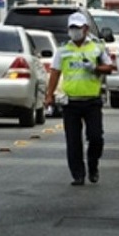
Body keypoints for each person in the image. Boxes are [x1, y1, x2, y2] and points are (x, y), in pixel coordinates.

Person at [44, 13, 114, 186]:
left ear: (86, 29)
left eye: (78, 28)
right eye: (72, 28)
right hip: (71, 101)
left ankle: (93, 165)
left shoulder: (97, 47)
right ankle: (78, 174)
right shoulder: (63, 50)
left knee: (96, 137)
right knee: (73, 141)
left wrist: (96, 68)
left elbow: (110, 67)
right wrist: (49, 95)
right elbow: (55, 73)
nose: (75, 31)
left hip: (92, 100)